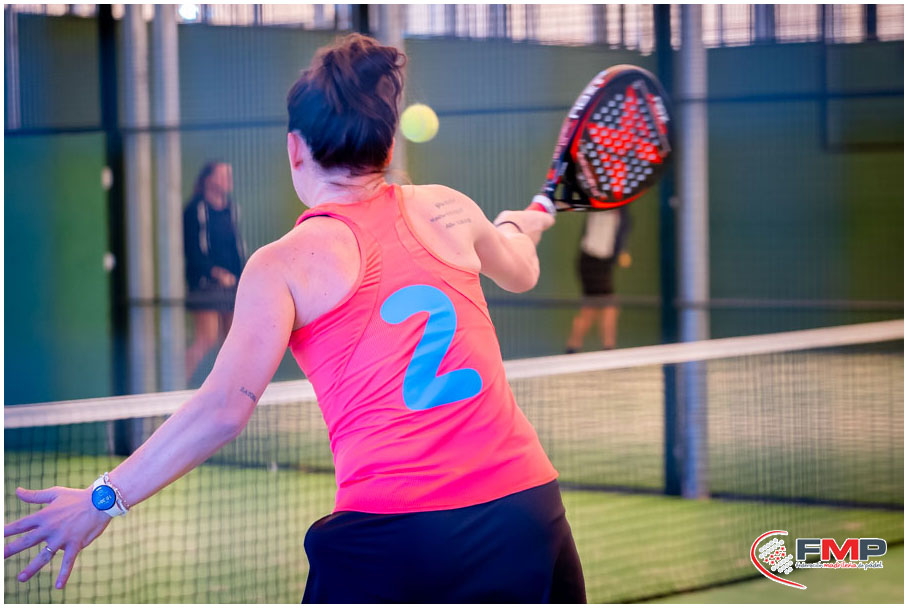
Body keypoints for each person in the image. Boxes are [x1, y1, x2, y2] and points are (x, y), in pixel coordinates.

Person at [4, 34, 584, 603]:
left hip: (398, 539)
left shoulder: (280, 264)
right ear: (387, 148)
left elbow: (222, 409)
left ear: (295, 149)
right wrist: (517, 225)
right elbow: (521, 272)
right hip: (528, 514)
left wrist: (100, 499)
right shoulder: (450, 207)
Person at [183, 161, 246, 383]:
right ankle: (176, 384)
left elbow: (236, 247)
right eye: (222, 175)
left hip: (231, 286)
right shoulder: (196, 209)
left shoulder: (231, 209)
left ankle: (227, 387)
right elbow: (193, 250)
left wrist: (240, 277)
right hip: (205, 286)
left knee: (230, 342)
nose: (228, 180)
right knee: (207, 338)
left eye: (229, 175)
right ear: (209, 179)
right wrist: (215, 273)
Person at [565, 208, 631, 353]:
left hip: (603, 262)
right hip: (592, 259)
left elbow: (621, 233)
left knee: (593, 308)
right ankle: (607, 347)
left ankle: (574, 347)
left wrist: (621, 251)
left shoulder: (621, 212)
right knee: (605, 305)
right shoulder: (599, 205)